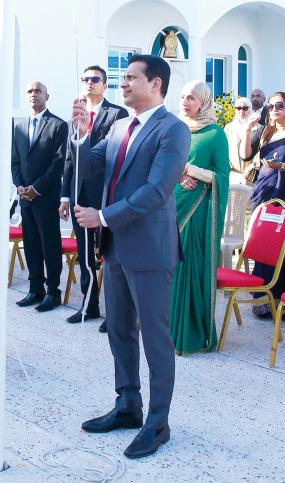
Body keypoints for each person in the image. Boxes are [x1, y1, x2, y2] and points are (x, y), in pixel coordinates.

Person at [72, 54, 190, 461]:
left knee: (155, 338)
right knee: (119, 329)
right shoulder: (120, 125)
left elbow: (157, 191)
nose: (122, 84)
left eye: (130, 78)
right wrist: (82, 135)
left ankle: (158, 423)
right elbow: (90, 166)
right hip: (116, 247)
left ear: (155, 84)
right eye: (122, 79)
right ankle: (128, 406)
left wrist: (102, 216)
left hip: (150, 249)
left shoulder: (172, 129)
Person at [59, 65, 128, 325]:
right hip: (80, 195)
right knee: (85, 255)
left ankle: (116, 315)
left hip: (106, 196)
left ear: (105, 84)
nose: (89, 83)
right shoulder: (77, 114)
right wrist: (66, 197)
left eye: (95, 79)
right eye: (85, 78)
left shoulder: (117, 113)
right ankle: (89, 306)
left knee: (110, 255)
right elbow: (69, 158)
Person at [238, 91, 285, 318]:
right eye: (270, 106)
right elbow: (245, 155)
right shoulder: (265, 134)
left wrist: (281, 167)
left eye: (279, 105)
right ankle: (264, 304)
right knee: (264, 248)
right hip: (264, 195)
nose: (274, 110)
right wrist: (247, 128)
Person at [169, 81, 229, 355]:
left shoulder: (215, 134)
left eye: (191, 98)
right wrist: (180, 173)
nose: (185, 102)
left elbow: (222, 175)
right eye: (182, 97)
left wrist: (193, 170)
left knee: (188, 264)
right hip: (171, 203)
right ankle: (165, 330)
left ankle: (191, 333)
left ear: (203, 102)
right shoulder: (175, 127)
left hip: (199, 209)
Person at [12, 80, 69, 313]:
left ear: (47, 95)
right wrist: (19, 186)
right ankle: (35, 289)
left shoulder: (58, 125)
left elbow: (58, 164)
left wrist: (36, 188)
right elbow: (15, 160)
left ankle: (53, 292)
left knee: (50, 246)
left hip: (46, 197)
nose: (33, 94)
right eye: (29, 91)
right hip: (25, 198)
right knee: (31, 245)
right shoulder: (19, 126)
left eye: (37, 91)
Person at [226, 96, 257, 181]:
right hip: (233, 174)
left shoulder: (257, 128)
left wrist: (250, 170)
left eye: (245, 108)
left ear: (250, 109)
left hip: (251, 175)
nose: (241, 111)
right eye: (238, 108)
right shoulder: (229, 128)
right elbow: (224, 150)